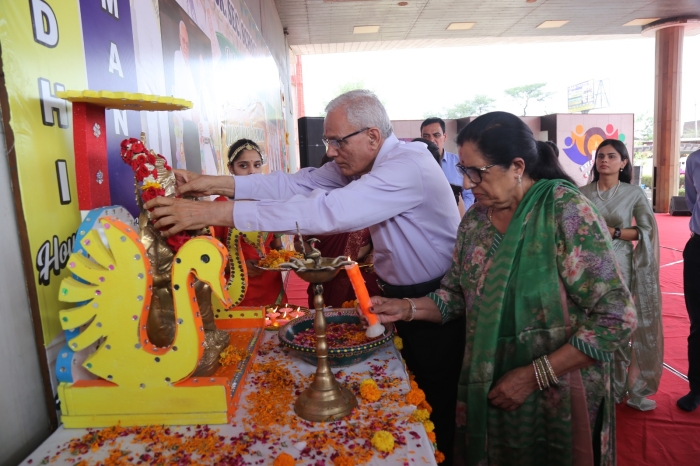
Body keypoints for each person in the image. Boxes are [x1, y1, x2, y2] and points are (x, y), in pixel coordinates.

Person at [144, 89, 463, 462]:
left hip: (434, 299)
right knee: (405, 394)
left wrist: (210, 214)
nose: (331, 152)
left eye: (337, 141)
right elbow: (296, 184)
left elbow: (329, 212)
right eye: (329, 142)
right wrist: (209, 184)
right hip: (394, 298)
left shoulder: (406, 166)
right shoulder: (366, 163)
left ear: (373, 136)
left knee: (432, 403)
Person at [370, 112, 636, 466]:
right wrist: (405, 307)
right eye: (464, 170)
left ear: (517, 166)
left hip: (557, 392)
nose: (467, 183)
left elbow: (616, 317)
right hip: (488, 384)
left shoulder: (565, 212)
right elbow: (455, 296)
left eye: (477, 172)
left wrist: (532, 376)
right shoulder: (476, 222)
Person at [580, 139, 663, 411]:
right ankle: (593, 384)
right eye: (600, 156)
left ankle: (617, 386)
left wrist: (614, 232)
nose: (604, 160)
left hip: (620, 265)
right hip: (587, 266)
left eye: (611, 156)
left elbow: (646, 231)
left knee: (616, 322)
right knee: (589, 322)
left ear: (624, 162)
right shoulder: (582, 193)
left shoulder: (633, 193)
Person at [293, 155, 381, 308]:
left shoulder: (367, 202)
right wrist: (318, 260)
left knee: (364, 317)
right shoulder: (316, 207)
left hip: (362, 275)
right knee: (325, 317)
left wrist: (372, 255)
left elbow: (381, 235)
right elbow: (299, 242)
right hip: (325, 276)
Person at [211, 139, 287, 306]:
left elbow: (277, 245)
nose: (252, 172)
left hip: (270, 286)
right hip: (236, 289)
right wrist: (239, 267)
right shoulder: (220, 206)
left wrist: (282, 260)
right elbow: (210, 257)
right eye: (243, 166)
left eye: (257, 165)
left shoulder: (270, 202)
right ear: (231, 168)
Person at [679, 148, 700, 412]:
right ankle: (696, 388)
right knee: (698, 323)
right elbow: (693, 200)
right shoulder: (695, 159)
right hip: (698, 248)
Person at [421, 117, 475, 210]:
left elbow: (469, 194)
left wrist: (461, 214)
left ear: (445, 137)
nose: (431, 140)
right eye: (426, 136)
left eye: (436, 135)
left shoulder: (459, 162)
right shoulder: (415, 165)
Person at [413, 137, 467, 216]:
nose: (432, 139)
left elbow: (462, 221)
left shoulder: (453, 194)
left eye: (436, 135)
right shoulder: (407, 193)